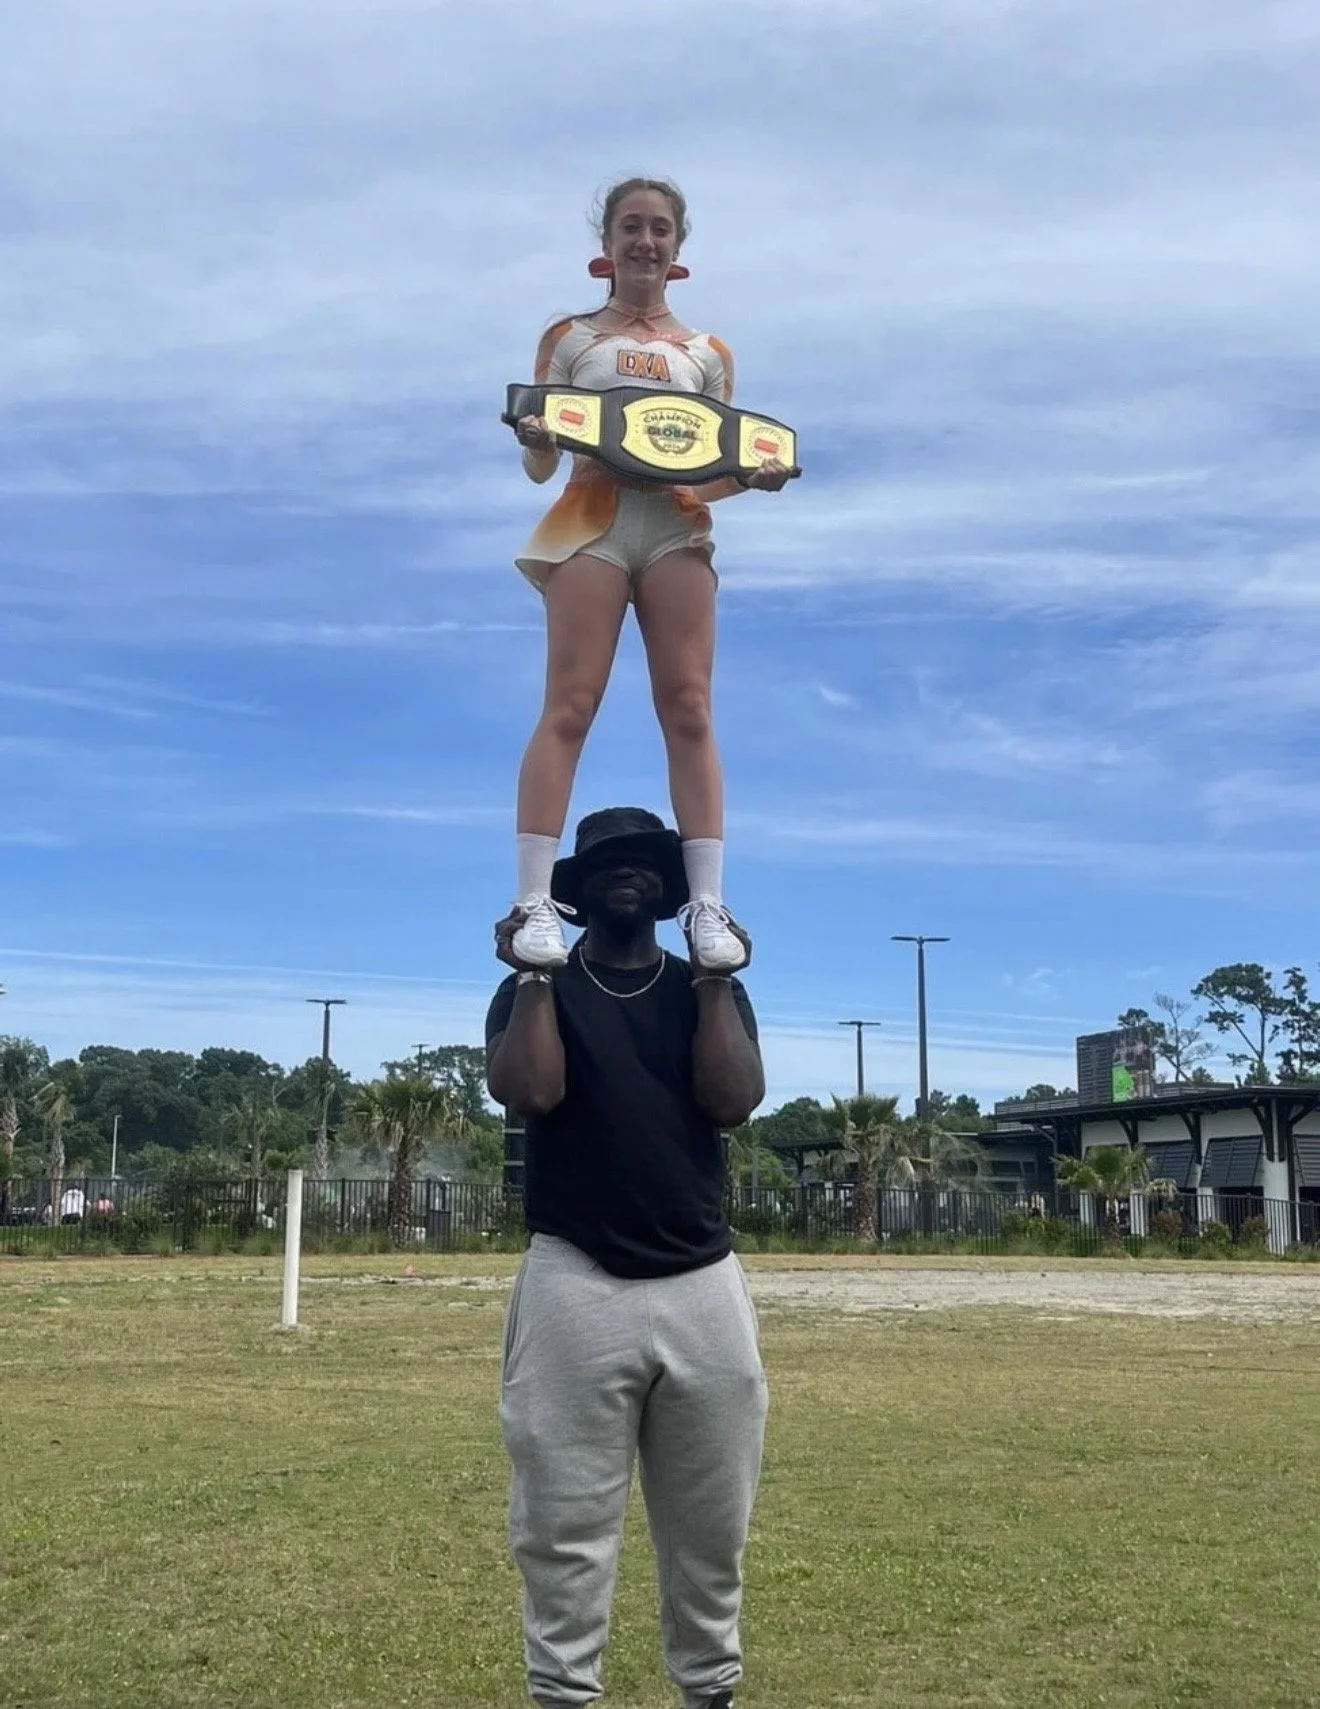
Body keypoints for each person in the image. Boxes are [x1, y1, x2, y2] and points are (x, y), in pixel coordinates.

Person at [486, 806, 768, 1709]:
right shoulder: (539, 987)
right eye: (610, 861)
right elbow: (532, 1089)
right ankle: (564, 1691)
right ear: (571, 891)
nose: (631, 872)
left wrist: (718, 982)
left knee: (712, 1525)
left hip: (702, 1281)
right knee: (563, 1527)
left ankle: (709, 1688)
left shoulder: (701, 984)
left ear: (671, 886)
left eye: (650, 861)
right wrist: (535, 979)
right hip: (576, 1278)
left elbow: (732, 1100)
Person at [507, 176, 792, 976]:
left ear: (678, 248)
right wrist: (534, 433)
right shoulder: (569, 338)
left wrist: (753, 477)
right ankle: (533, 899)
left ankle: (707, 902)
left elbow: (718, 467)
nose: (646, 241)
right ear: (607, 243)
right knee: (570, 703)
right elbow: (539, 464)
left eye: (660, 228)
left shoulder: (707, 353)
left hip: (674, 528)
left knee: (691, 706)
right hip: (590, 515)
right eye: (631, 226)